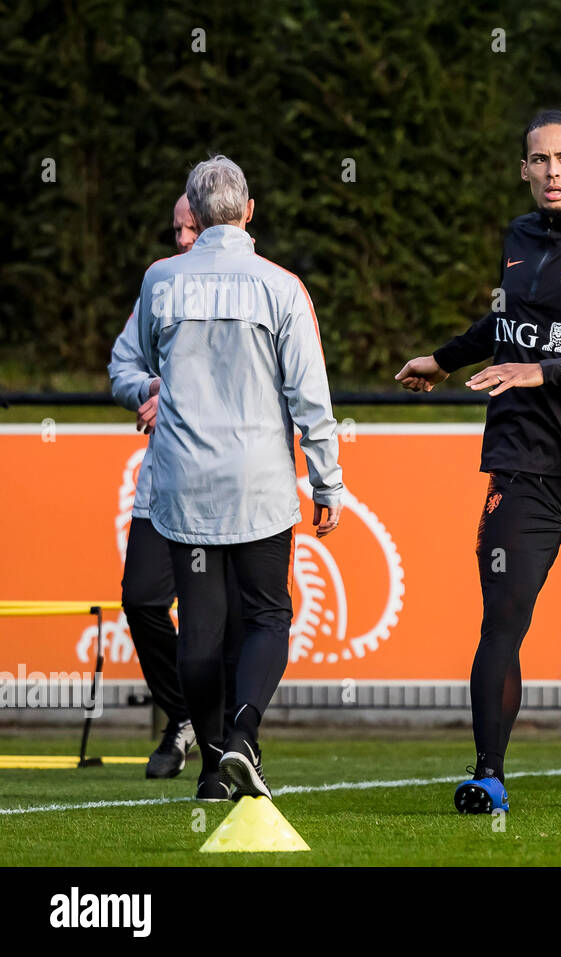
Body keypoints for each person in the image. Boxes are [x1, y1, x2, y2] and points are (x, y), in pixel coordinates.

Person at [396, 110, 561, 814]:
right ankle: (488, 774)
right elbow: (508, 325)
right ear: (523, 169)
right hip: (523, 461)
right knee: (503, 618)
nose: (551, 171)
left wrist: (542, 372)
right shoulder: (518, 238)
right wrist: (445, 357)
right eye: (538, 160)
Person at [137, 155, 343, 801]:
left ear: (193, 215)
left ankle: (208, 773)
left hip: (186, 485)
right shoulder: (282, 286)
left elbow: (140, 359)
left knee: (198, 629)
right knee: (266, 614)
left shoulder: (160, 281)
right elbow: (311, 396)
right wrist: (328, 483)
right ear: (250, 211)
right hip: (257, 483)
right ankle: (244, 736)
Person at [108, 194, 200, 778]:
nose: (185, 239)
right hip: (164, 483)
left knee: (219, 616)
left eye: (194, 227)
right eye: (176, 230)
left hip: (231, 487)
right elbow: (123, 365)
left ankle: (227, 741)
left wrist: (179, 392)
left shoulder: (260, 284)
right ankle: (186, 714)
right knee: (141, 599)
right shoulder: (160, 283)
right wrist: (148, 389)